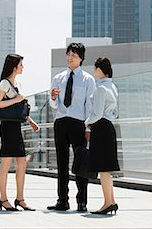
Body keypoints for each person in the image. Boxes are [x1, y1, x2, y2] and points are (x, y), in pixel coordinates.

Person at [47, 42, 96, 212]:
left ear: (81, 58)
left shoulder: (88, 79)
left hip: (79, 124)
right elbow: (54, 105)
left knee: (81, 162)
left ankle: (81, 201)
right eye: (68, 54)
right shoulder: (58, 78)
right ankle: (62, 200)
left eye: (74, 55)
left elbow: (90, 106)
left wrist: (88, 128)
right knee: (61, 163)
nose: (69, 58)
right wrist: (53, 98)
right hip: (61, 122)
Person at [0, 53, 39, 212]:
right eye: (21, 64)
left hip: (16, 127)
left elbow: (16, 110)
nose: (23, 67)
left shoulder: (16, 82)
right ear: (14, 67)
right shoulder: (4, 84)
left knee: (22, 162)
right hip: (7, 128)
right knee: (5, 164)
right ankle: (3, 199)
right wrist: (17, 99)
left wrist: (29, 120)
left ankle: (20, 198)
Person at [85, 57, 120, 215]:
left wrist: (86, 122)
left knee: (103, 169)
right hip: (109, 127)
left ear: (99, 70)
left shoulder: (100, 89)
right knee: (107, 169)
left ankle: (107, 203)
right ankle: (111, 201)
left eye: (95, 68)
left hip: (100, 127)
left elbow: (97, 114)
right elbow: (115, 112)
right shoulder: (113, 87)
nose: (94, 72)